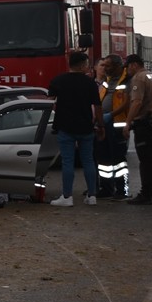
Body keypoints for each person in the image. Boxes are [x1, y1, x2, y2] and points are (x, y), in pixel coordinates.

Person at [48, 51, 103, 207]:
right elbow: (97, 107)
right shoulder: (90, 83)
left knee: (67, 162)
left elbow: (48, 103)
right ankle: (92, 196)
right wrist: (101, 125)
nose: (88, 66)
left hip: (65, 128)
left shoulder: (58, 81)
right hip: (86, 128)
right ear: (81, 65)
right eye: (86, 63)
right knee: (88, 161)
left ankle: (67, 197)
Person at [123, 54, 152, 205]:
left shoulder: (139, 78)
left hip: (146, 123)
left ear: (134, 65)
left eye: (128, 67)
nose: (127, 71)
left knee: (146, 160)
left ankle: (146, 194)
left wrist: (128, 123)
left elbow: (136, 102)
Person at [96, 55, 130, 198]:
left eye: (108, 66)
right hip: (104, 123)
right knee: (104, 159)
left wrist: (111, 114)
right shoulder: (106, 80)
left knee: (118, 160)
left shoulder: (127, 80)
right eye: (103, 65)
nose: (105, 68)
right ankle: (106, 188)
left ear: (117, 66)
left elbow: (128, 102)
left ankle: (122, 190)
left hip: (117, 125)